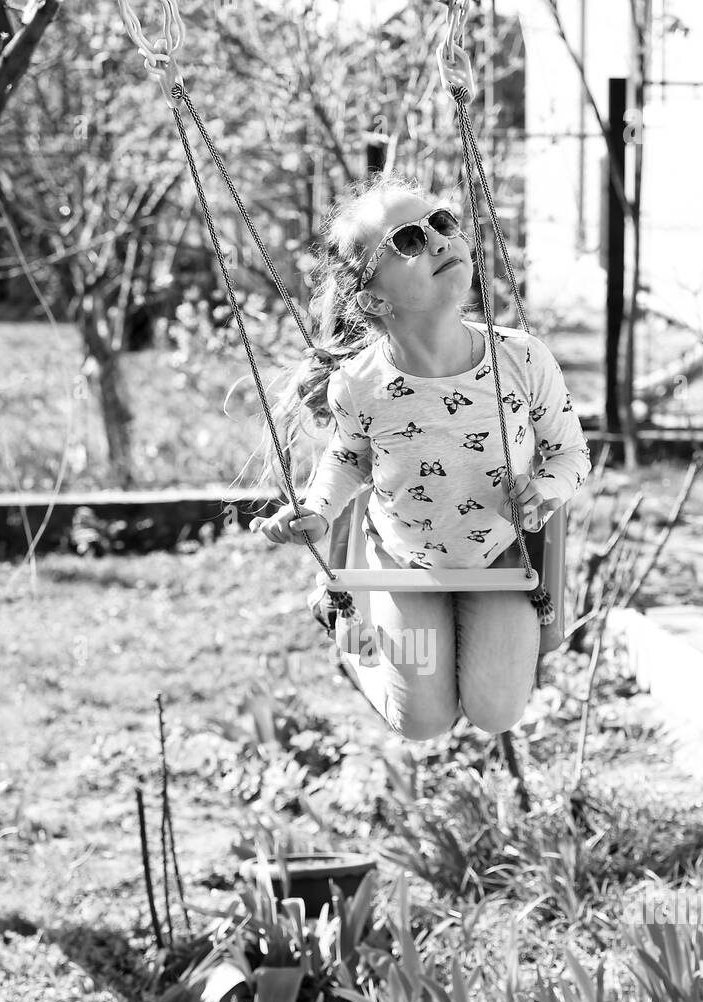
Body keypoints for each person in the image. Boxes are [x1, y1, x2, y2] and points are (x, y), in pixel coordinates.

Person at [250, 172, 591, 741]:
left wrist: (547, 490)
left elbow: (569, 454)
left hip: (501, 558)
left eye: (441, 222)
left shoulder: (524, 361)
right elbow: (349, 459)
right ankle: (345, 619)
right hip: (408, 562)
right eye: (408, 240)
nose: (436, 239)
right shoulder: (360, 385)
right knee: (422, 722)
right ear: (373, 299)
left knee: (498, 712)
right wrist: (318, 509)